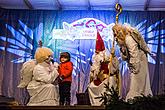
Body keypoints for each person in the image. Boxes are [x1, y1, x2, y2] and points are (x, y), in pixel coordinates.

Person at [112, 23, 152, 101]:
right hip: (135, 60)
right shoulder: (123, 40)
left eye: (115, 33)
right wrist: (122, 50)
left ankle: (135, 98)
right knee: (137, 82)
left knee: (137, 81)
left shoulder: (128, 39)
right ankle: (139, 98)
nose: (114, 36)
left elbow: (134, 53)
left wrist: (135, 67)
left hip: (139, 60)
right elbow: (126, 55)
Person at [88, 31, 121, 106]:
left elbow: (114, 69)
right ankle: (95, 104)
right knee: (91, 86)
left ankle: (108, 103)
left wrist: (113, 56)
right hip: (99, 78)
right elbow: (94, 71)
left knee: (110, 83)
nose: (97, 52)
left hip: (109, 77)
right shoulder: (95, 59)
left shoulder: (109, 58)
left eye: (98, 50)